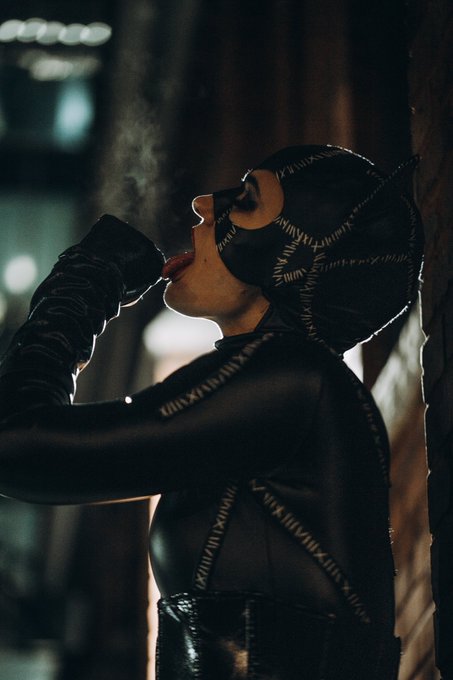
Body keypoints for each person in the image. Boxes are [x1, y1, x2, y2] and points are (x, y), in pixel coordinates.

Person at [0, 145, 423, 679]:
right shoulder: (291, 383)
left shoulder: (292, 378)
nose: (204, 205)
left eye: (246, 202)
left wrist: (81, 286)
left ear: (298, 258)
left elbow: (16, 448)